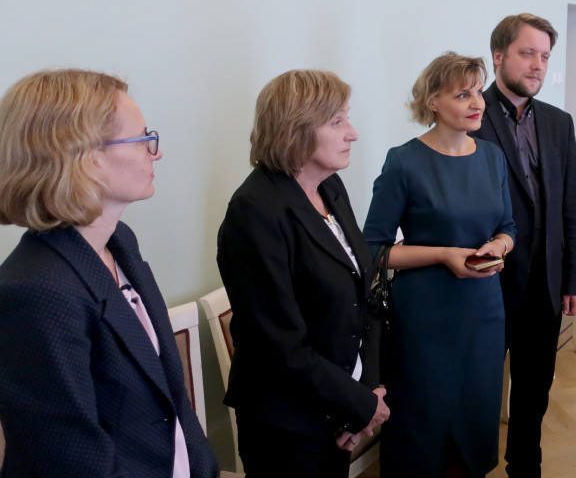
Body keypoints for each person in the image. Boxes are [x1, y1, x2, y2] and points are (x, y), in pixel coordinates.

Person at [0, 69, 218, 477]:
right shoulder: (35, 291)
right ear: (83, 157)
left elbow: (172, 398)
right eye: (141, 139)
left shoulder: (120, 242)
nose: (155, 152)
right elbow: (72, 462)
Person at [216, 70, 388, 477]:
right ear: (296, 129)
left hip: (338, 405)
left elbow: (363, 298)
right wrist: (360, 405)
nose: (353, 134)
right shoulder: (254, 210)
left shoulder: (331, 187)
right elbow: (280, 345)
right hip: (286, 422)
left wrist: (366, 391)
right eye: (337, 121)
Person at [363, 52, 516, 477]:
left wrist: (498, 247)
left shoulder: (492, 157)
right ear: (432, 101)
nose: (477, 103)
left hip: (484, 312)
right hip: (426, 318)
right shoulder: (404, 161)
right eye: (462, 95)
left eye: (478, 92)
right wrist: (444, 255)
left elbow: (508, 227)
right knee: (423, 424)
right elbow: (373, 250)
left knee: (476, 417)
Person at [471, 13, 576, 477]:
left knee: (535, 386)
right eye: (527, 53)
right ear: (498, 56)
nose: (538, 65)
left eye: (545, 56)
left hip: (545, 280)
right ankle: (472, 464)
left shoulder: (559, 122)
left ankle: (524, 465)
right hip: (487, 281)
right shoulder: (470, 115)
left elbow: (570, 206)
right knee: (478, 386)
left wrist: (572, 277)